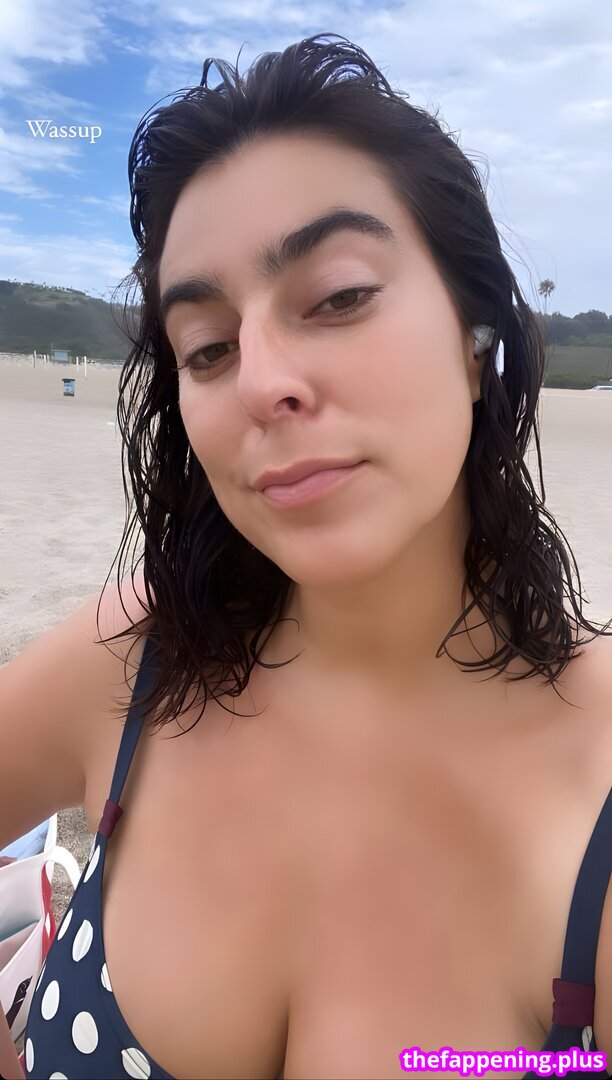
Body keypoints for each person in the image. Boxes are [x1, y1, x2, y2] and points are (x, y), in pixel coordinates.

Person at [1, 32, 611, 1080]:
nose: (260, 382)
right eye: (208, 347)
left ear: (476, 336)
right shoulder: (135, 659)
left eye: (337, 297)